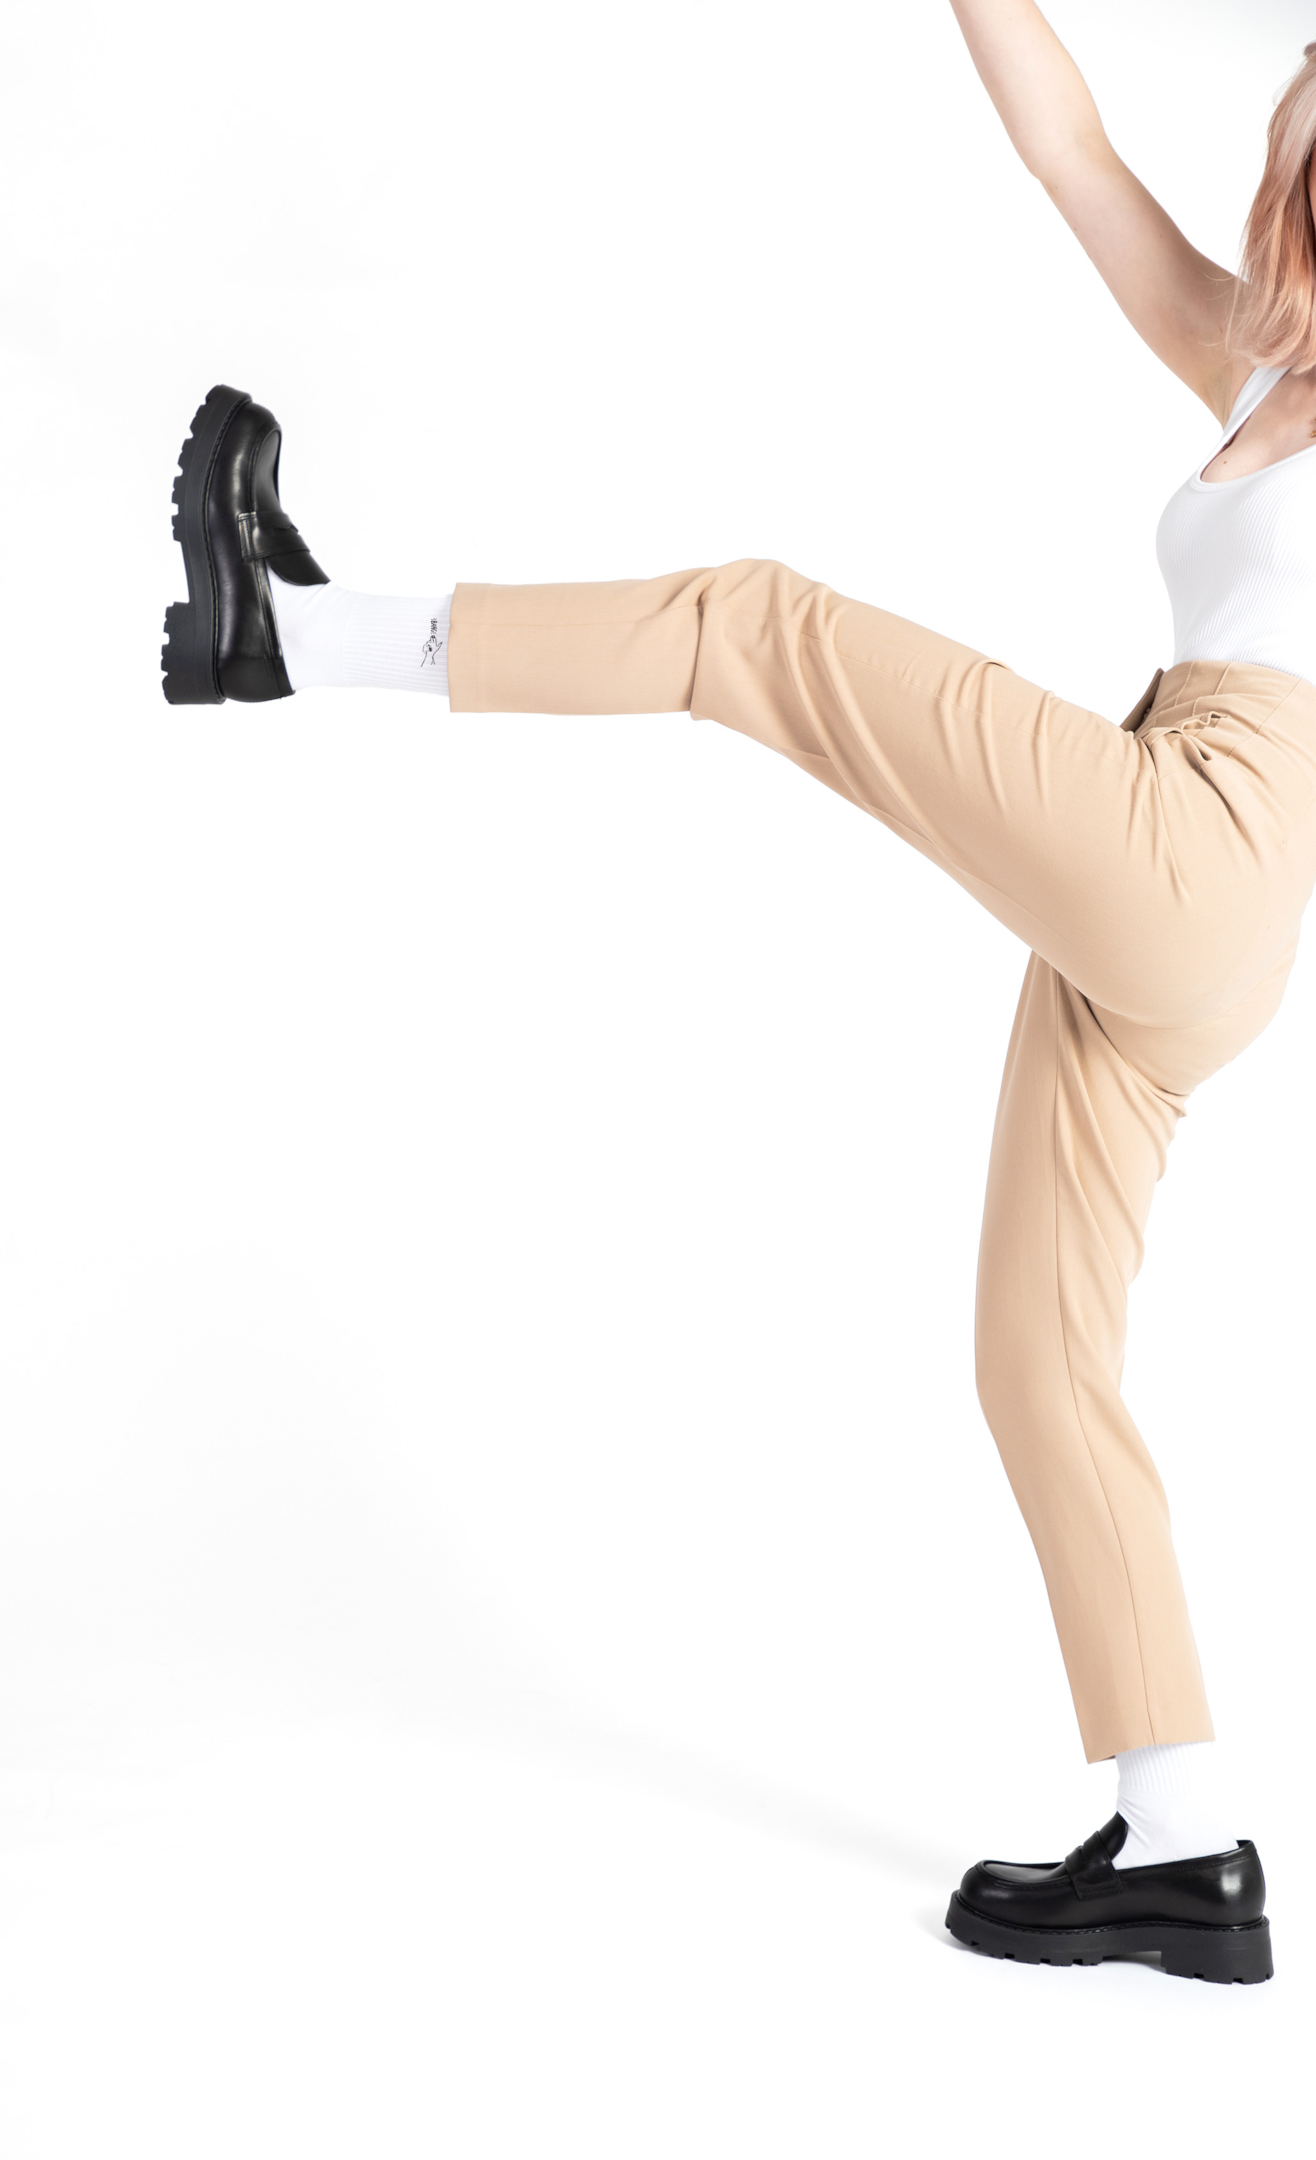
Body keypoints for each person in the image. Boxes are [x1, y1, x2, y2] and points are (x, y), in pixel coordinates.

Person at [160, 2, 1316, 1984]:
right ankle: (1185, 1844)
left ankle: (298, 637)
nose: (1290, 154)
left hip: (1206, 836)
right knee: (1037, 1364)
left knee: (755, 629)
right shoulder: (1258, 352)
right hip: (1184, 878)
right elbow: (1073, 156)